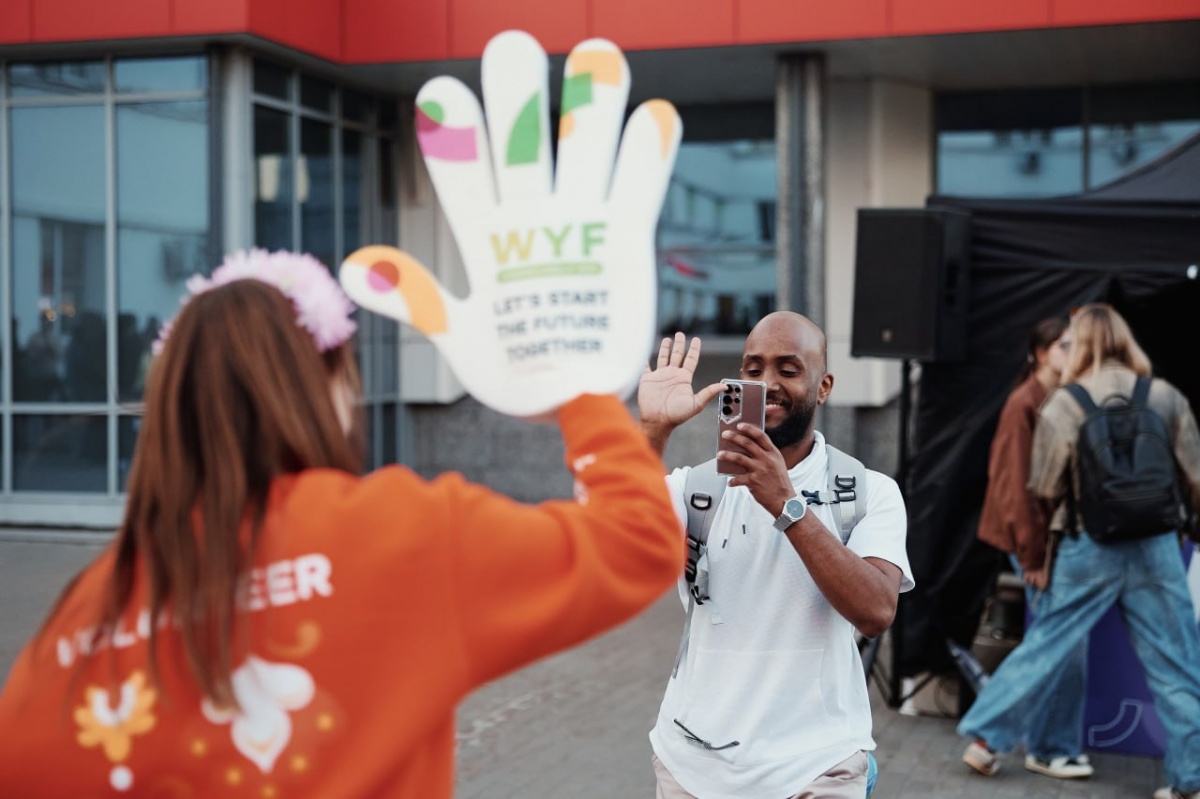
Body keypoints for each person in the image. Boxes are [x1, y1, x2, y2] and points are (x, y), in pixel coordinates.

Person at [0, 249, 684, 797]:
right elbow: (639, 538)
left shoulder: (87, 611)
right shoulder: (405, 533)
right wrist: (576, 389)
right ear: (321, 385)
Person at [639, 312, 914, 799]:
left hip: (817, 765)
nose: (767, 384)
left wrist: (787, 507)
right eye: (752, 369)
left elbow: (875, 612)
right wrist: (652, 435)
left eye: (788, 370)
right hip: (693, 764)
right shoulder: (695, 489)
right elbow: (605, 541)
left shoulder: (869, 493)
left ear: (823, 386)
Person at [957, 303, 1200, 799]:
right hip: (1155, 546)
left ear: (1081, 345)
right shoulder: (1166, 396)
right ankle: (1191, 780)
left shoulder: (1065, 403)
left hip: (1088, 544)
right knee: (1176, 661)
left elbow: (1044, 485)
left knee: (1048, 644)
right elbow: (1194, 475)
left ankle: (987, 739)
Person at [967, 316, 1094, 779]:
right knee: (1061, 642)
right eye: (1063, 345)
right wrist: (1034, 553)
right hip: (1038, 543)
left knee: (1060, 640)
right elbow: (1016, 488)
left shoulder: (1057, 400)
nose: (1070, 352)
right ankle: (1031, 742)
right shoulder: (1026, 403)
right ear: (1041, 353)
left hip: (1052, 541)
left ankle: (1033, 743)